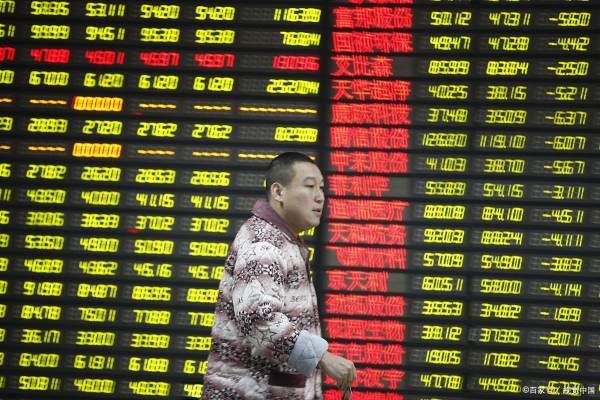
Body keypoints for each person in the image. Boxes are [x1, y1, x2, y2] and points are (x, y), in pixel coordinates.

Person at [201, 152, 356, 400]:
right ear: (278, 192)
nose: (320, 197)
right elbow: (259, 320)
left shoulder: (282, 240)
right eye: (309, 186)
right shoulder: (263, 242)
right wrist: (321, 357)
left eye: (321, 188)